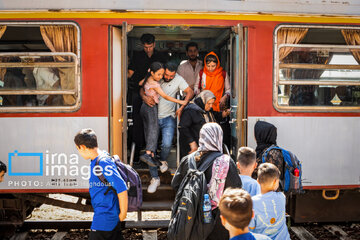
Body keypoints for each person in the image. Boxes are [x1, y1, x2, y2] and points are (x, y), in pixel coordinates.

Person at [172, 122, 242, 240]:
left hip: (190, 221)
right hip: (218, 223)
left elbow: (176, 185)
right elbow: (236, 191)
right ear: (219, 137)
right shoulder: (226, 162)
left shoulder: (188, 160)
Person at [141, 61, 194, 193]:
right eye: (166, 75)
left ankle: (163, 161)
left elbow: (190, 91)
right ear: (162, 71)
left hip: (168, 117)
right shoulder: (157, 77)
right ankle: (155, 178)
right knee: (151, 149)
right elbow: (142, 87)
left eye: (172, 76)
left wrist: (182, 106)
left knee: (167, 144)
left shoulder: (178, 79)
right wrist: (143, 97)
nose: (168, 77)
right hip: (153, 116)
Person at [74, 128, 128, 240]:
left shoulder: (102, 162)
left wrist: (123, 213)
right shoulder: (100, 158)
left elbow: (121, 187)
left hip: (105, 219)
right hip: (107, 217)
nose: (79, 152)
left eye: (78, 149)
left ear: (82, 147)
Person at [128, 33, 168, 162]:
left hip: (156, 93)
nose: (148, 49)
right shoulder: (137, 56)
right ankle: (137, 153)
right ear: (142, 46)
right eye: (146, 47)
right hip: (139, 92)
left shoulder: (160, 56)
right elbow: (130, 74)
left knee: (156, 123)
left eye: (150, 46)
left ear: (154, 44)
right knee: (137, 124)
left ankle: (153, 151)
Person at [178, 90, 230, 159]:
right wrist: (192, 143)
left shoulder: (207, 110)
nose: (211, 106)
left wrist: (225, 113)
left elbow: (215, 116)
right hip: (192, 147)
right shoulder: (190, 110)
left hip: (204, 146)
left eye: (212, 103)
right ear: (203, 101)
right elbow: (183, 127)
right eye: (208, 103)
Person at [249, 163, 290, 240]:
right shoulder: (282, 197)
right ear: (275, 181)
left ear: (258, 181)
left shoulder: (252, 202)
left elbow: (251, 227)